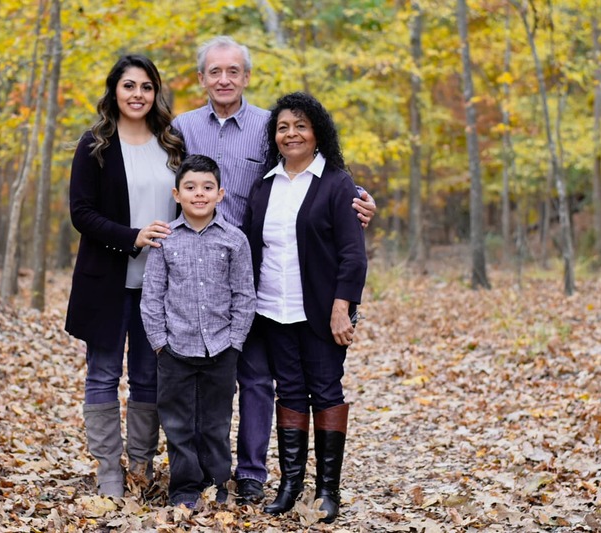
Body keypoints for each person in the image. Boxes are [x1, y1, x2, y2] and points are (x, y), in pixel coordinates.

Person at [172, 35, 377, 505]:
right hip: (242, 289)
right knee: (265, 382)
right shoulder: (183, 129)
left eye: (233, 71)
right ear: (203, 77)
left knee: (295, 383)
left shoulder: (270, 126)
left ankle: (290, 483)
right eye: (214, 71)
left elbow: (327, 186)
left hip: (292, 293)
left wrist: (359, 200)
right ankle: (275, 482)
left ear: (246, 76)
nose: (224, 79)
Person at [243, 92, 368, 523]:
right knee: (290, 393)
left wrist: (342, 307)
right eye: (283, 127)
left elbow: (353, 254)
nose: (291, 133)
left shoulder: (336, 183)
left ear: (317, 133)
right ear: (274, 136)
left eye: (300, 126)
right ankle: (290, 484)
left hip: (321, 311)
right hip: (272, 310)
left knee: (326, 392)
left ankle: (327, 491)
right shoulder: (264, 184)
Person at [64, 54, 185, 499]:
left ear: (156, 93)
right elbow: (82, 214)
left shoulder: (172, 145)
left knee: (149, 377)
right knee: (102, 374)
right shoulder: (94, 144)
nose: (138, 95)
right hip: (107, 280)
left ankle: (141, 463)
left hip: (160, 285)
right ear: (114, 90)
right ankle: (107, 470)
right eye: (129, 86)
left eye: (147, 87)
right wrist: (132, 237)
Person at [140, 154, 257, 508]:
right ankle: (186, 489)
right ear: (177, 194)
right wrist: (160, 342)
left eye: (207, 187)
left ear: (220, 194)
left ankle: (217, 485)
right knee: (178, 424)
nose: (199, 194)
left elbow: (244, 295)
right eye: (190, 187)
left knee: (215, 424)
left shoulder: (234, 240)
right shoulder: (165, 239)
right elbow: (152, 296)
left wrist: (235, 341)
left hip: (221, 348)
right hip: (175, 348)